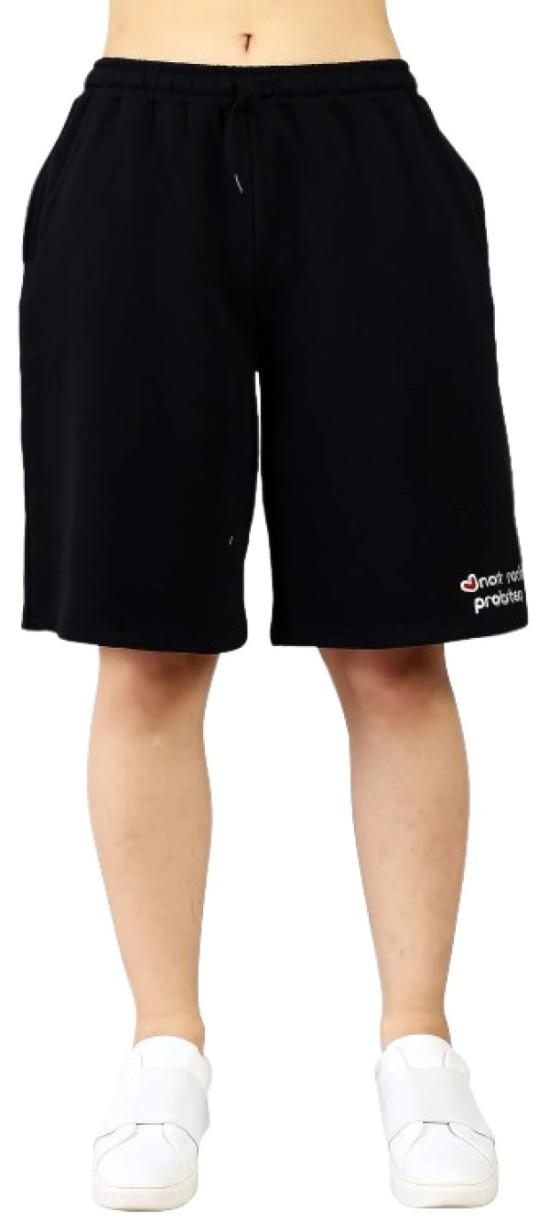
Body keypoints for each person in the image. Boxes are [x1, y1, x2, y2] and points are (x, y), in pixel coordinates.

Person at [19, 0, 527, 1210]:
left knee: (397, 646)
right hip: (137, 143)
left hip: (366, 137)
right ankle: (163, 1048)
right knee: (146, 648)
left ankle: (421, 1047)